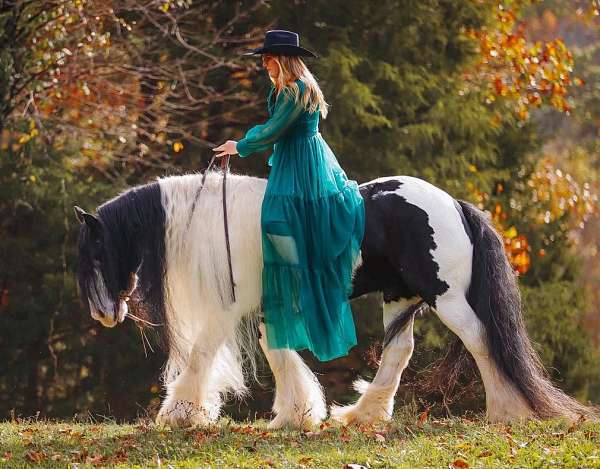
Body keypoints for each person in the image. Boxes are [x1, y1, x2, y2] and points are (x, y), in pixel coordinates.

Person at [213, 30, 365, 362]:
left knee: (275, 215)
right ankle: (290, 277)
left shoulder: (297, 90)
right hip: (291, 159)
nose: (263, 64)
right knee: (275, 214)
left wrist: (238, 146)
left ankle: (295, 280)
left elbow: (273, 130)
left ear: (280, 59)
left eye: (266, 58)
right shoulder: (285, 89)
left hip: (303, 163)